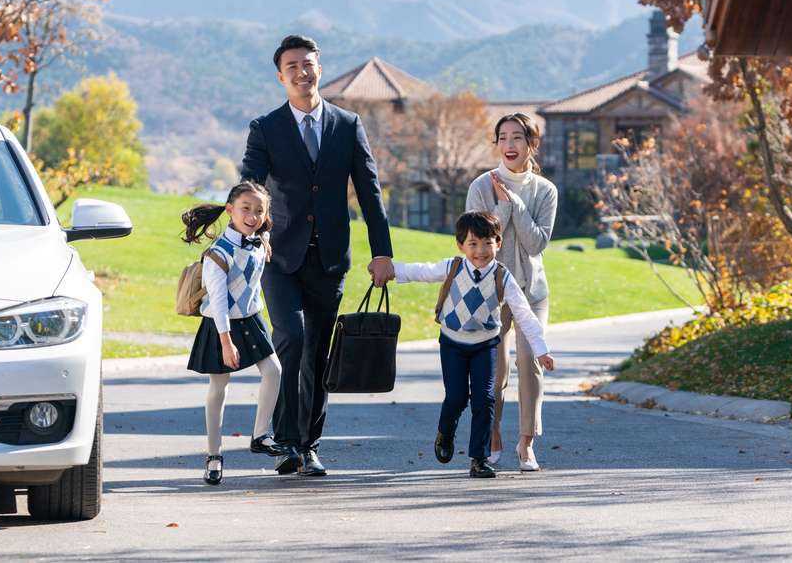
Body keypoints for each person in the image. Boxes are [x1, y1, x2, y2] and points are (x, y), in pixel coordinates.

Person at [241, 35, 395, 477]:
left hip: (330, 260)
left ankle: (308, 445)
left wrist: (381, 253)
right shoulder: (265, 128)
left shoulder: (347, 125)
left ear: (319, 70)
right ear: (280, 76)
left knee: (318, 353)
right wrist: (241, 236)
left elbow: (370, 193)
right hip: (279, 256)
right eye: (292, 67)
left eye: (308, 65)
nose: (301, 73)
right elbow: (250, 189)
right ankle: (287, 441)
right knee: (290, 336)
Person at [393, 211, 555, 478]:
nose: (481, 250)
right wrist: (392, 269)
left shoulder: (503, 277)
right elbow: (420, 271)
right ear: (461, 245)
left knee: (484, 400)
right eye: (473, 244)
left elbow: (524, 313)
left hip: (485, 345)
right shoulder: (452, 267)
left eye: (487, 243)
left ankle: (479, 458)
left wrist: (541, 350)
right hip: (453, 344)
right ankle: (445, 433)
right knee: (456, 398)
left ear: (498, 243)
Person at [465, 112, 557, 472]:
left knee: (530, 363)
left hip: (531, 292)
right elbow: (482, 247)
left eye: (517, 137)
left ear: (531, 144)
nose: (508, 144)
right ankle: (494, 432)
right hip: (491, 293)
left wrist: (515, 204)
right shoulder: (480, 188)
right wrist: (502, 205)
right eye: (502, 137)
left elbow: (535, 245)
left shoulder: (545, 191)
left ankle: (527, 442)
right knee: (495, 368)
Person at [181, 181, 288, 485]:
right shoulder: (218, 254)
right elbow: (218, 303)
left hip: (251, 319)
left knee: (273, 371)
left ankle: (260, 435)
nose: (252, 215)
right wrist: (226, 342)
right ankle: (214, 456)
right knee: (219, 389)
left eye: (259, 210)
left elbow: (261, 235)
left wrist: (265, 240)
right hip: (222, 325)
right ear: (229, 210)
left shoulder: (259, 239)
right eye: (245, 208)